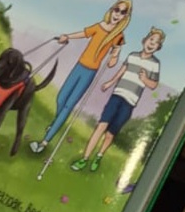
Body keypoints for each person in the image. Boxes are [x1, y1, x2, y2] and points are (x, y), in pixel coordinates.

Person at [29, 0, 133, 154]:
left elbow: (112, 63)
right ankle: (56, 123)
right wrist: (67, 36)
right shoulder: (99, 26)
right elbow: (83, 33)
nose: (118, 14)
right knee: (61, 98)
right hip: (79, 66)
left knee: (68, 105)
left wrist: (115, 54)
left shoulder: (118, 36)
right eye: (117, 9)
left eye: (122, 12)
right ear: (112, 10)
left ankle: (43, 143)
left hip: (90, 72)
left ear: (125, 17)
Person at [71, 27, 165, 172]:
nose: (152, 43)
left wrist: (145, 79)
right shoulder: (132, 56)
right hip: (117, 95)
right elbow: (122, 70)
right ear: (145, 40)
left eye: (156, 42)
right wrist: (110, 82)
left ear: (158, 47)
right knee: (101, 126)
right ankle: (85, 158)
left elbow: (153, 85)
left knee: (110, 134)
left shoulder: (155, 64)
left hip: (130, 102)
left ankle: (99, 155)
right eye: (151, 39)